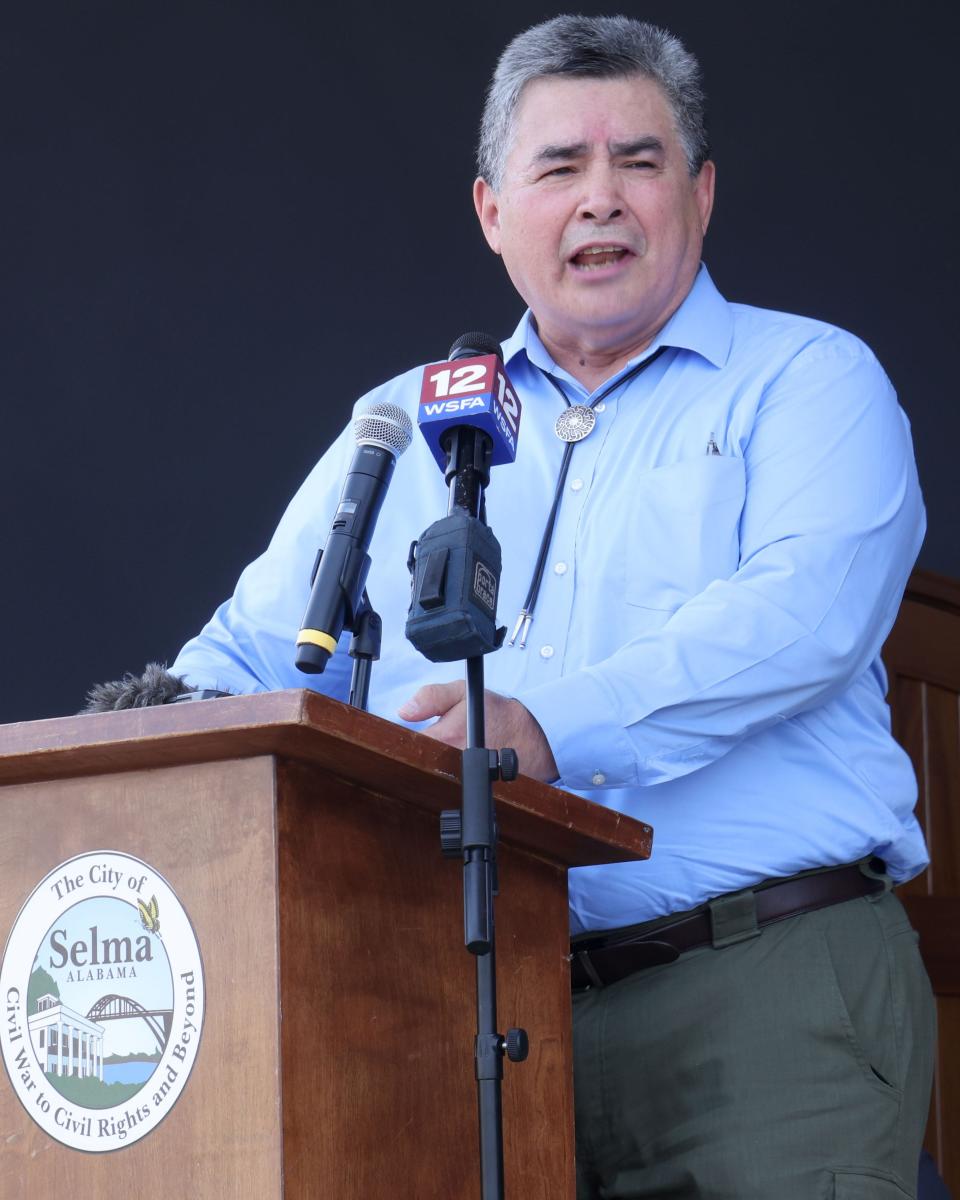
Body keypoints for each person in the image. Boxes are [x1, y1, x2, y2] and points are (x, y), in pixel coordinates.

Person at [171, 15, 935, 1198]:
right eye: (560, 167)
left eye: (639, 160)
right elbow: (258, 653)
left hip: (761, 993)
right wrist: (150, 755)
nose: (602, 200)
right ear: (491, 212)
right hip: (456, 1011)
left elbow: (804, 616)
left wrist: (545, 727)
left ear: (704, 193)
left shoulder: (811, 381)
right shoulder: (406, 422)